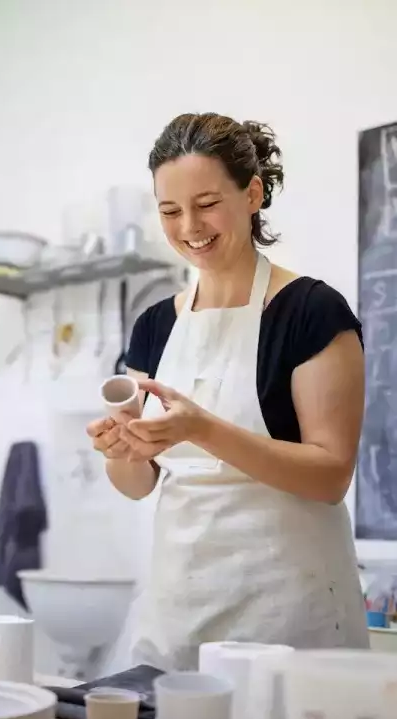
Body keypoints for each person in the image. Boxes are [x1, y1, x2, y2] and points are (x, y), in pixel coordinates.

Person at [86, 112, 369, 670]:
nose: (190, 225)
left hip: (289, 614)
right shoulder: (153, 327)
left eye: (207, 202)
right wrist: (122, 449)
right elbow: (138, 484)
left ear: (253, 193)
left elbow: (331, 475)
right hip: (180, 607)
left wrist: (201, 428)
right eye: (170, 210)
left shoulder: (311, 312)